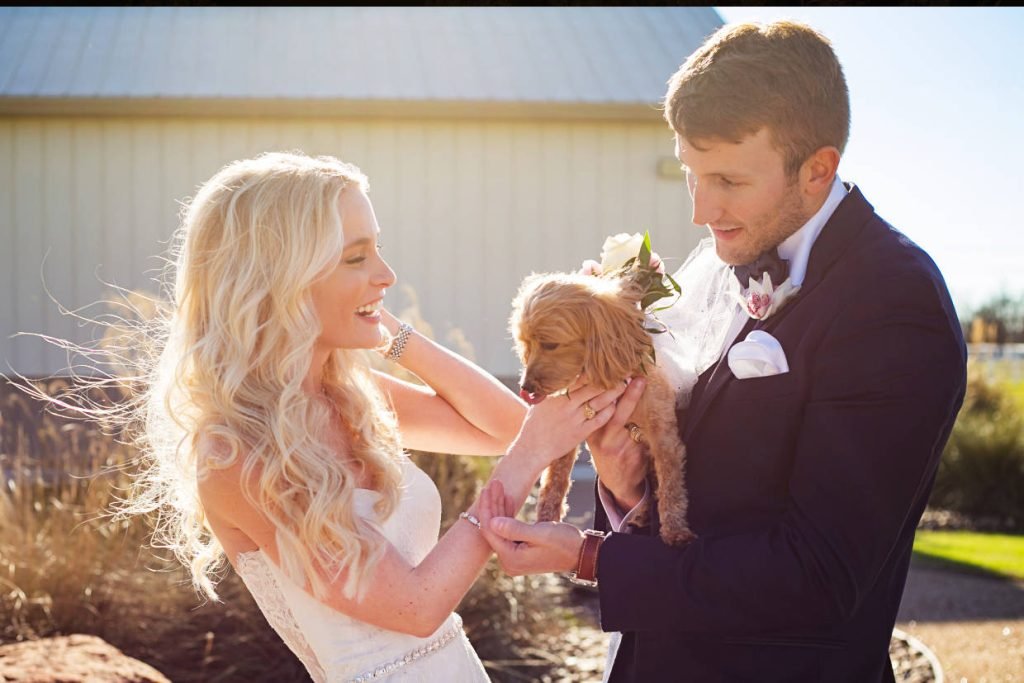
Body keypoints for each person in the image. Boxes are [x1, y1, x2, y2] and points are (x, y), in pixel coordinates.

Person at [478, 20, 968, 682]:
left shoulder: (894, 301)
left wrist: (590, 557)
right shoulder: (716, 262)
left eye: (729, 180)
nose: (701, 211)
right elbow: (702, 480)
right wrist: (626, 487)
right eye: (691, 175)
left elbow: (818, 573)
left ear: (818, 170)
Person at [105, 151, 625, 682]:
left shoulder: (348, 395)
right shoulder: (236, 451)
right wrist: (529, 458)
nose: (387, 274)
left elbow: (506, 428)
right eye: (356, 258)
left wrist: (389, 333)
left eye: (379, 249)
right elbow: (416, 607)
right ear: (280, 278)